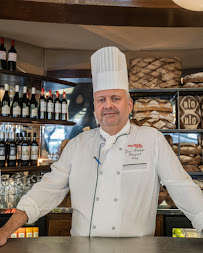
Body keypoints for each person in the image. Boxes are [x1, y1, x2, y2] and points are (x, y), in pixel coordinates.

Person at [0, 47, 203, 245]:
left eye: (116, 98)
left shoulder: (153, 140)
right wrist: (6, 230)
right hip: (83, 248)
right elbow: (47, 190)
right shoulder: (77, 145)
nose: (108, 105)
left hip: (137, 249)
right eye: (101, 99)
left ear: (129, 105)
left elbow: (182, 187)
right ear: (95, 106)